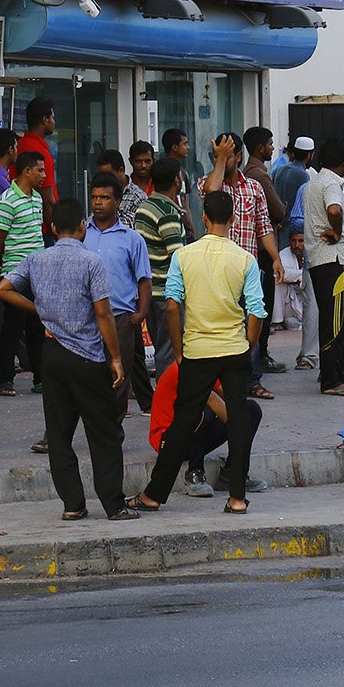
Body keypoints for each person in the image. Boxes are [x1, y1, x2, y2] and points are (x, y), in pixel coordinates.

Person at [0, 198, 133, 521]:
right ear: (83, 227)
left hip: (52, 353)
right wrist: (115, 357)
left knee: (58, 434)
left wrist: (39, 310)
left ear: (53, 228)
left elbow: (2, 289)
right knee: (103, 432)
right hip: (87, 355)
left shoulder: (36, 259)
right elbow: (103, 313)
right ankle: (113, 504)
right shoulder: (91, 262)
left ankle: (72, 504)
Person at [129, 190, 267, 511]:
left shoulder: (184, 256)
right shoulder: (245, 259)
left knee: (183, 422)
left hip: (197, 349)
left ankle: (153, 495)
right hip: (234, 348)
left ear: (204, 217)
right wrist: (248, 345)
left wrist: (178, 351)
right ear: (232, 219)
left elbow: (172, 306)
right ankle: (236, 498)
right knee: (239, 418)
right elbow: (256, 311)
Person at [204, 132, 280, 398]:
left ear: (238, 156)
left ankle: (252, 379)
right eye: (216, 156)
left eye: (226, 156)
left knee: (252, 321)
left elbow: (264, 227)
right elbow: (210, 192)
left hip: (248, 268)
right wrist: (220, 160)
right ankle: (222, 382)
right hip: (216, 270)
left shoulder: (254, 188)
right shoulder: (211, 182)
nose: (221, 161)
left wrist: (276, 258)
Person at [84, 170, 154, 416]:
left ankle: (113, 431)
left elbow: (144, 280)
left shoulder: (132, 239)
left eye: (104, 198)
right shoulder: (82, 233)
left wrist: (140, 314)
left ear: (117, 202)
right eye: (94, 197)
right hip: (87, 318)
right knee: (87, 378)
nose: (98, 203)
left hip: (120, 318)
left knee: (118, 379)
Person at [303, 138, 344, 397]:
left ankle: (337, 374)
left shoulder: (315, 181)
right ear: (341, 160)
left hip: (325, 261)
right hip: (333, 261)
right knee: (335, 323)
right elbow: (334, 210)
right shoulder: (331, 183)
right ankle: (331, 381)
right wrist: (338, 232)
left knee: (335, 320)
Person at [0, 148, 47, 397]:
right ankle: (5, 379)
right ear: (27, 171)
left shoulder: (37, 199)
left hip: (38, 272)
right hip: (15, 273)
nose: (44, 175)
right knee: (12, 327)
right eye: (40, 170)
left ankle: (40, 378)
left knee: (37, 327)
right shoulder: (7, 201)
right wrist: (0, 266)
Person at [148, 360, 234, 499]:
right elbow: (212, 399)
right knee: (204, 413)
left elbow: (229, 396)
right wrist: (240, 426)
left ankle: (231, 473)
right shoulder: (185, 367)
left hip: (190, 435)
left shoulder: (210, 364)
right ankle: (194, 473)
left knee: (251, 409)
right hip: (167, 440)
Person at [134, 158, 187, 372]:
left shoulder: (144, 208)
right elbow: (177, 257)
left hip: (149, 292)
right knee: (169, 352)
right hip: (168, 293)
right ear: (176, 181)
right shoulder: (167, 213)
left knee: (161, 348)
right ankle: (166, 392)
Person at [243, 126, 288, 377]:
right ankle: (260, 356)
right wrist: (282, 210)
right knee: (262, 304)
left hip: (260, 247)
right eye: (270, 144)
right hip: (261, 250)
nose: (272, 148)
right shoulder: (258, 175)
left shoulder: (255, 172)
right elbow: (278, 211)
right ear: (260, 148)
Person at [17, 98, 59, 206]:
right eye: (52, 118)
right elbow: (48, 200)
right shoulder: (42, 154)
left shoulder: (18, 145)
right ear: (45, 120)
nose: (54, 122)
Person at [271, 135, 314, 216]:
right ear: (309, 155)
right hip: (294, 221)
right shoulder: (303, 175)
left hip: (279, 218)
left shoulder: (281, 169)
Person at [124, 141, 155, 226]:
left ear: (153, 161)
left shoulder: (160, 185)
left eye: (147, 161)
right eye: (138, 161)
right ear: (131, 161)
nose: (143, 166)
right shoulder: (125, 187)